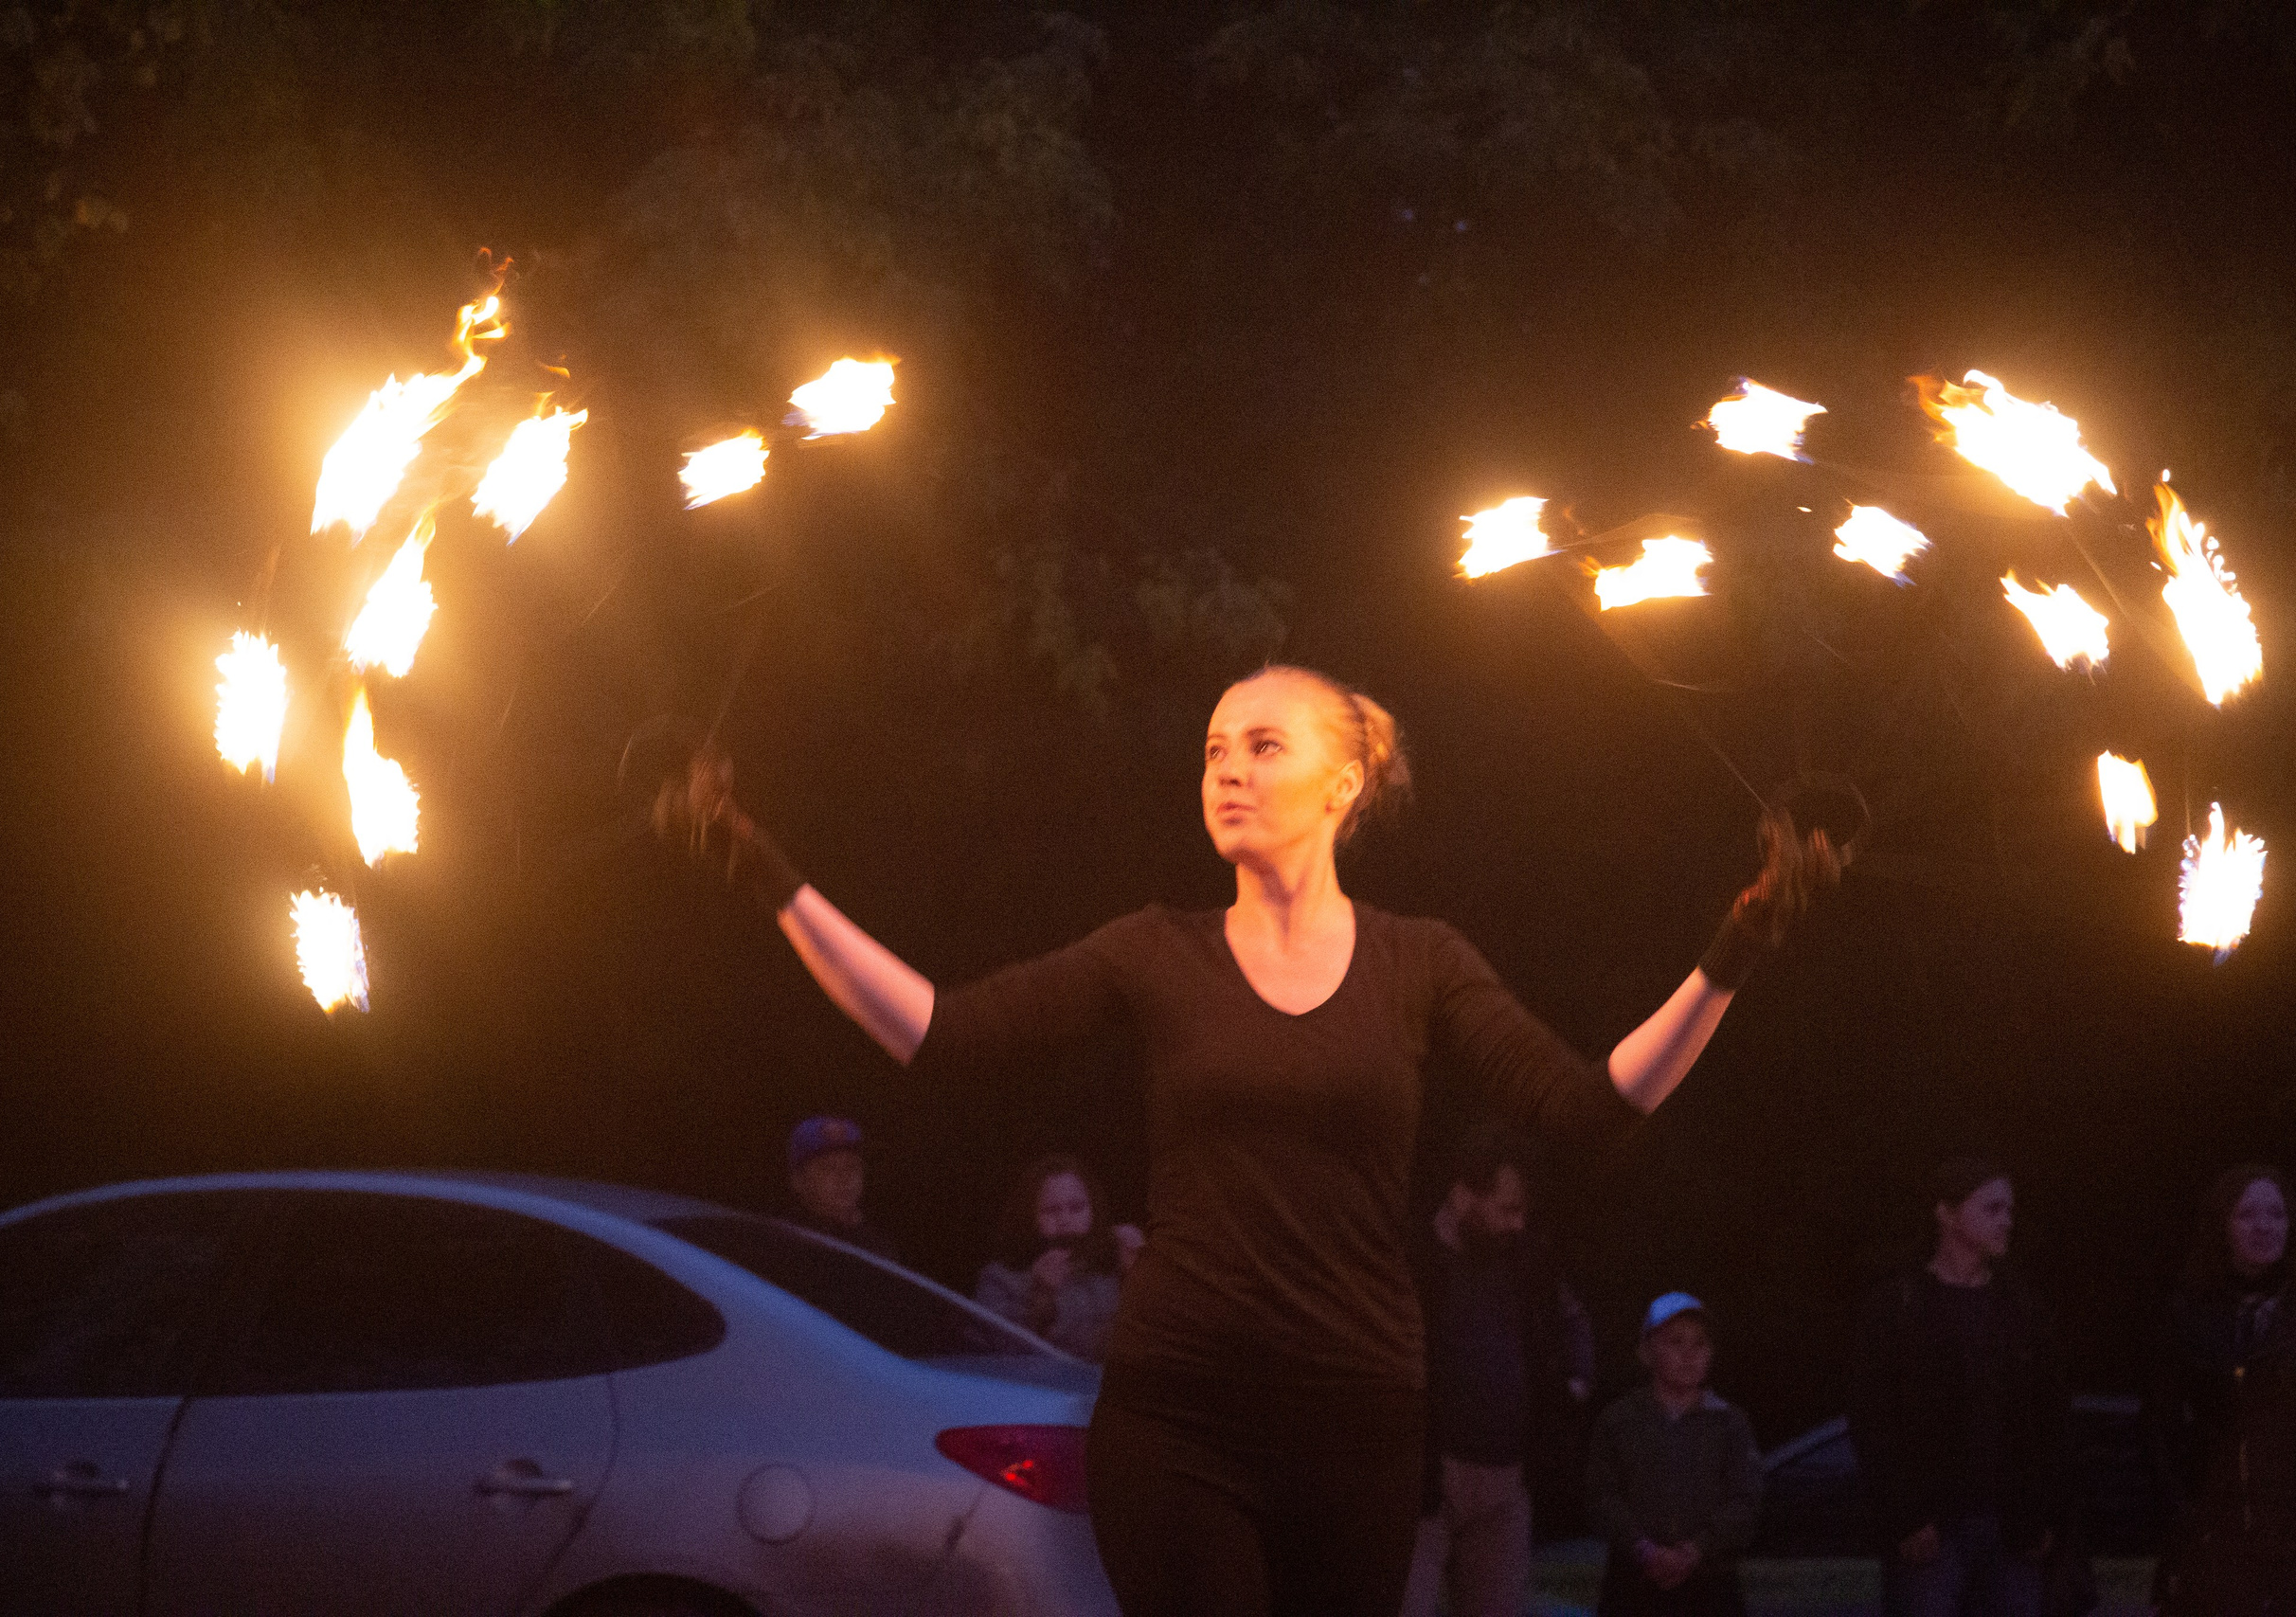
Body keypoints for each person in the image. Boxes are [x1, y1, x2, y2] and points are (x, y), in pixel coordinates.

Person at [662, 663, 1842, 1617]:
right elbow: (942, 1032)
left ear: (1344, 783)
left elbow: (1589, 1108)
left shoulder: (1419, 960)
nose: (1226, 769)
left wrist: (1738, 945)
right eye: (1214, 750)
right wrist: (760, 867)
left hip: (1359, 1415)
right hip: (1180, 1417)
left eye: (1262, 746)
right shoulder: (1154, 948)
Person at [1848, 1159, 2069, 1617]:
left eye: (2010, 1209)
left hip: (2012, 1527)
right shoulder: (1898, 1306)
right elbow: (1872, 1417)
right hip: (1933, 1530)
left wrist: (2041, 1513)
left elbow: (2051, 1415)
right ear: (1947, 1213)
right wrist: (1905, 1516)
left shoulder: (2021, 1307)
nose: (2007, 1220)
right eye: (1992, 1208)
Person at [1402, 1129, 1596, 1617]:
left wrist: (1575, 1382)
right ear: (1463, 1194)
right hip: (1425, 1481)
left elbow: (1571, 1318)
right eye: (1507, 1208)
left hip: (1506, 1480)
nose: (1518, 1222)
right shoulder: (1413, 1261)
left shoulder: (1523, 1265)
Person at [2146, 1164, 2296, 1615]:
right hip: (2215, 1533)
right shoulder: (2190, 1314)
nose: (2263, 1226)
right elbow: (2160, 1423)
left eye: (2276, 1213)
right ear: (2223, 1225)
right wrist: (2182, 1512)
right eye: (2247, 1214)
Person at [1585, 1294, 1763, 1617]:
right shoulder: (1618, 1420)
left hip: (1711, 1587)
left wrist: (1697, 1551)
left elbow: (1745, 1501)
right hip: (1633, 1588)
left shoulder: (1730, 1422)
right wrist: (1643, 1549)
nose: (1689, 1354)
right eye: (1675, 1341)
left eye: (1700, 1343)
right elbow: (1601, 1498)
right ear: (1647, 1350)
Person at [974, 1153, 1146, 1361]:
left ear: (1093, 1210)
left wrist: (1140, 1278)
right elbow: (995, 1360)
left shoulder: (1111, 1268)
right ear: (1029, 1216)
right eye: (1050, 1210)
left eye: (1077, 1208)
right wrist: (1041, 1297)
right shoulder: (1000, 1279)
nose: (1065, 1220)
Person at [782, 1114, 900, 1262]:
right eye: (828, 1168)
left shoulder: (878, 1245)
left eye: (852, 1166)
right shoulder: (785, 1242)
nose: (844, 1178)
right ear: (798, 1181)